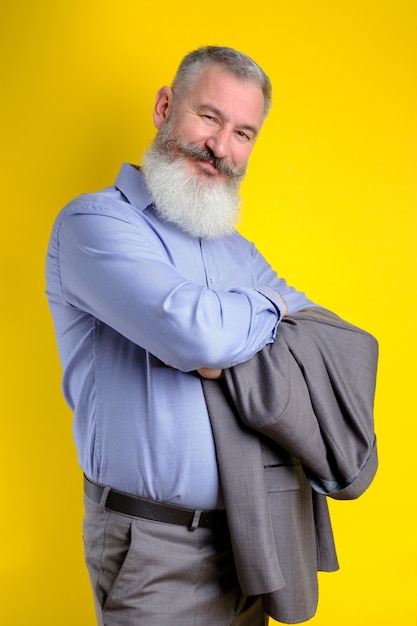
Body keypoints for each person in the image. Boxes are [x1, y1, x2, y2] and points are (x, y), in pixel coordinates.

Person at [46, 46, 317, 625]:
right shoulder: (93, 223)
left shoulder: (239, 253)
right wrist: (265, 312)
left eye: (244, 133)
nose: (222, 147)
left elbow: (322, 338)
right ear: (166, 106)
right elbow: (194, 336)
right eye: (210, 117)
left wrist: (238, 320)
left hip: (253, 536)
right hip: (153, 547)